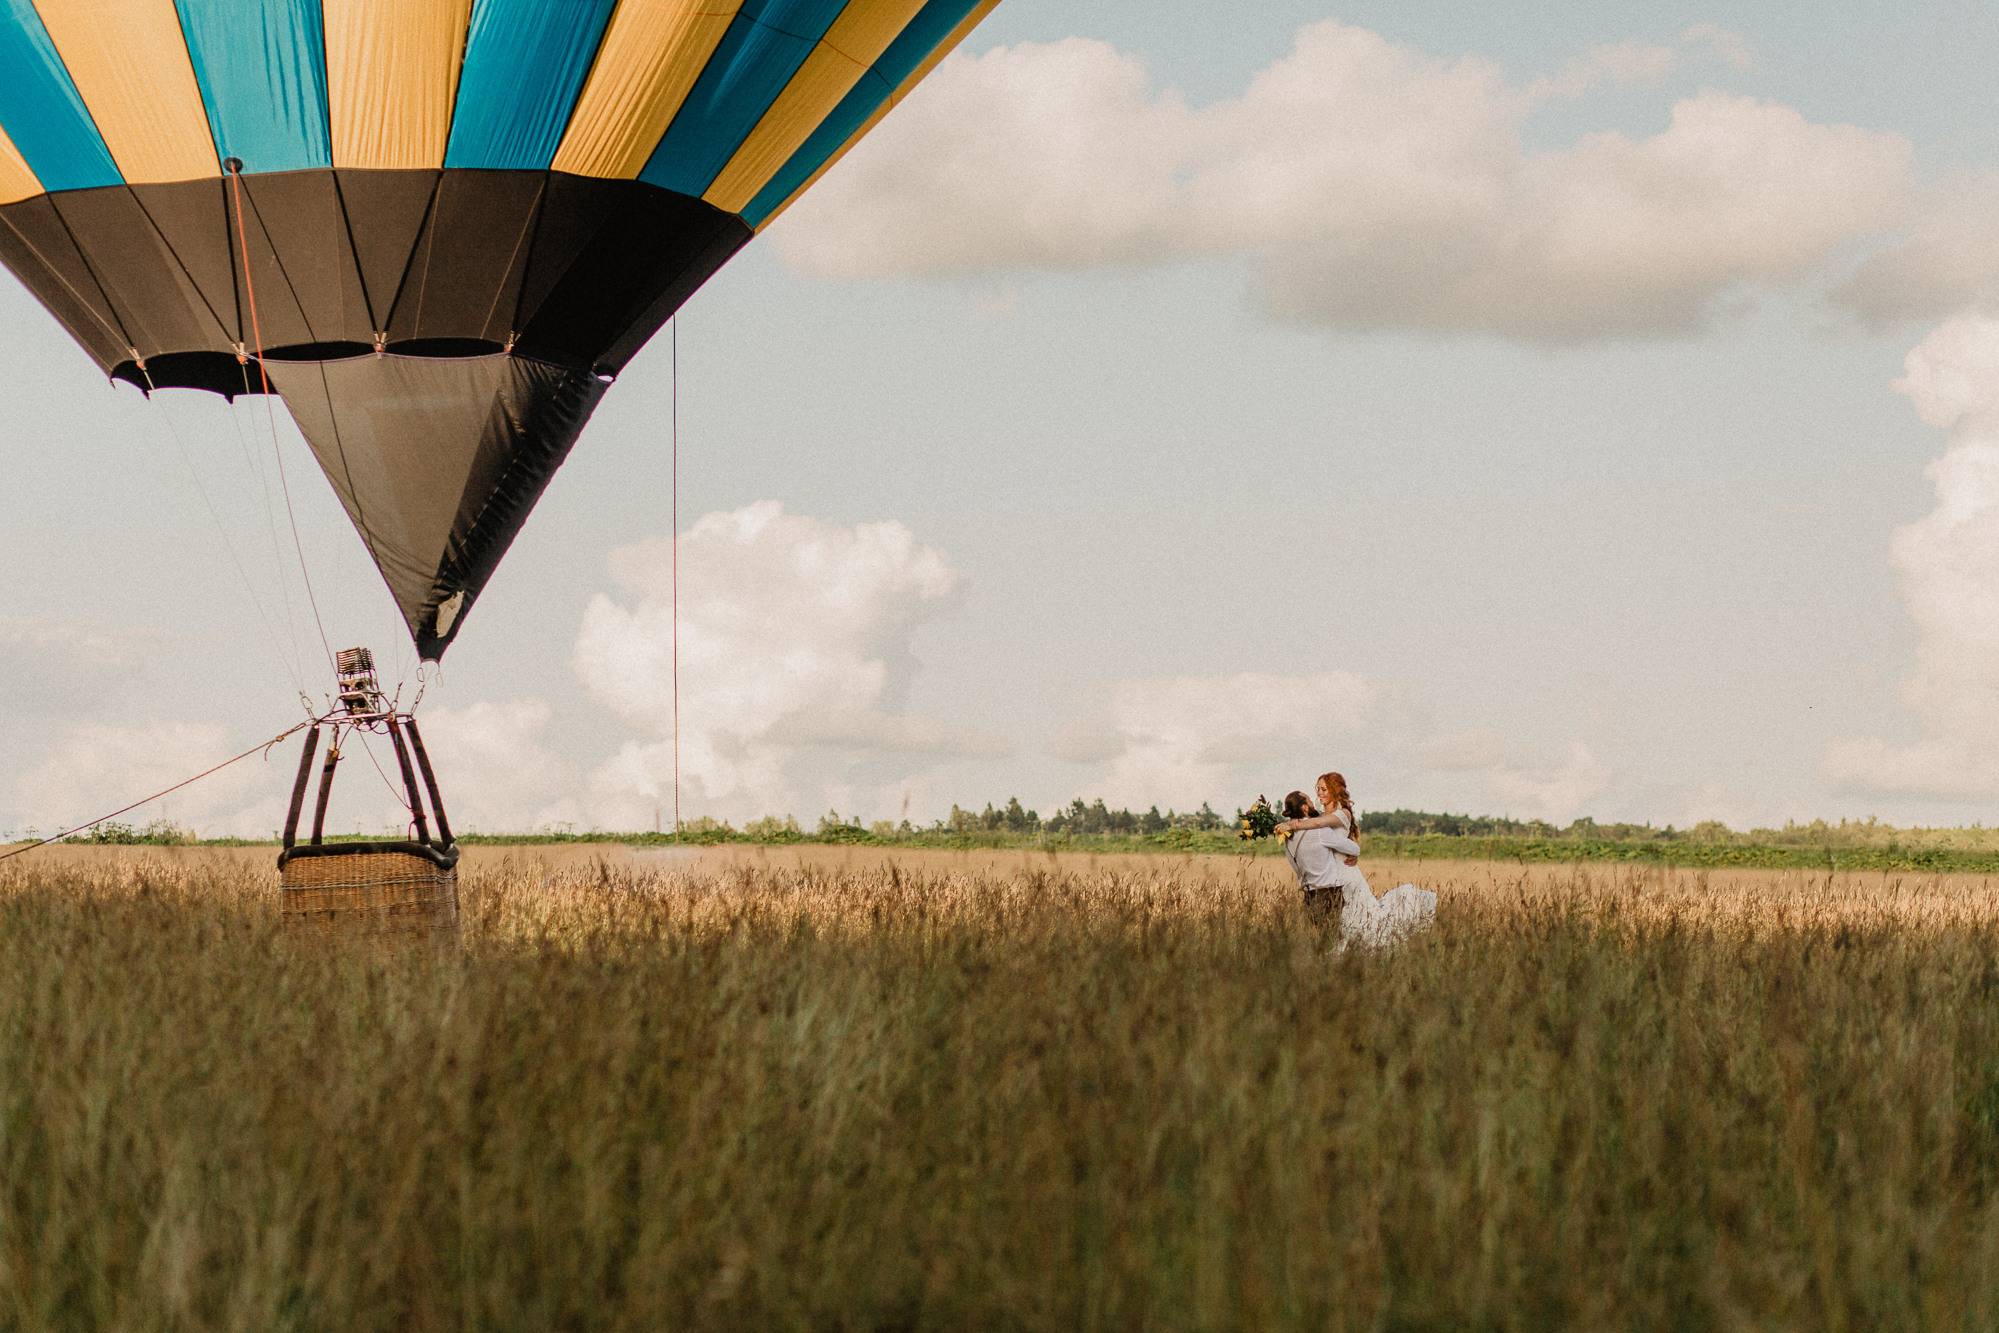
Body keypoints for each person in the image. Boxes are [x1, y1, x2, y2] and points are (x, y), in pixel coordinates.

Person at [1276, 771, 1438, 950]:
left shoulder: (1341, 813)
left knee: (1363, 919)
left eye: (1323, 789)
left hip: (1344, 872)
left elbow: (1316, 826)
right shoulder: (1318, 817)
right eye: (1318, 789)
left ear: (1334, 790)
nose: (1319, 793)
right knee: (1342, 925)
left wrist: (1291, 825)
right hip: (1329, 875)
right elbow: (1316, 830)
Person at [1280, 790, 1359, 922]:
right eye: (1310, 800)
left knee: (1317, 939)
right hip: (1328, 894)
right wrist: (1351, 850)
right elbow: (1354, 848)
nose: (1313, 803)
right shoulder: (1318, 831)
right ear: (1304, 808)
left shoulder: (1287, 839)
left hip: (1308, 896)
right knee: (1333, 937)